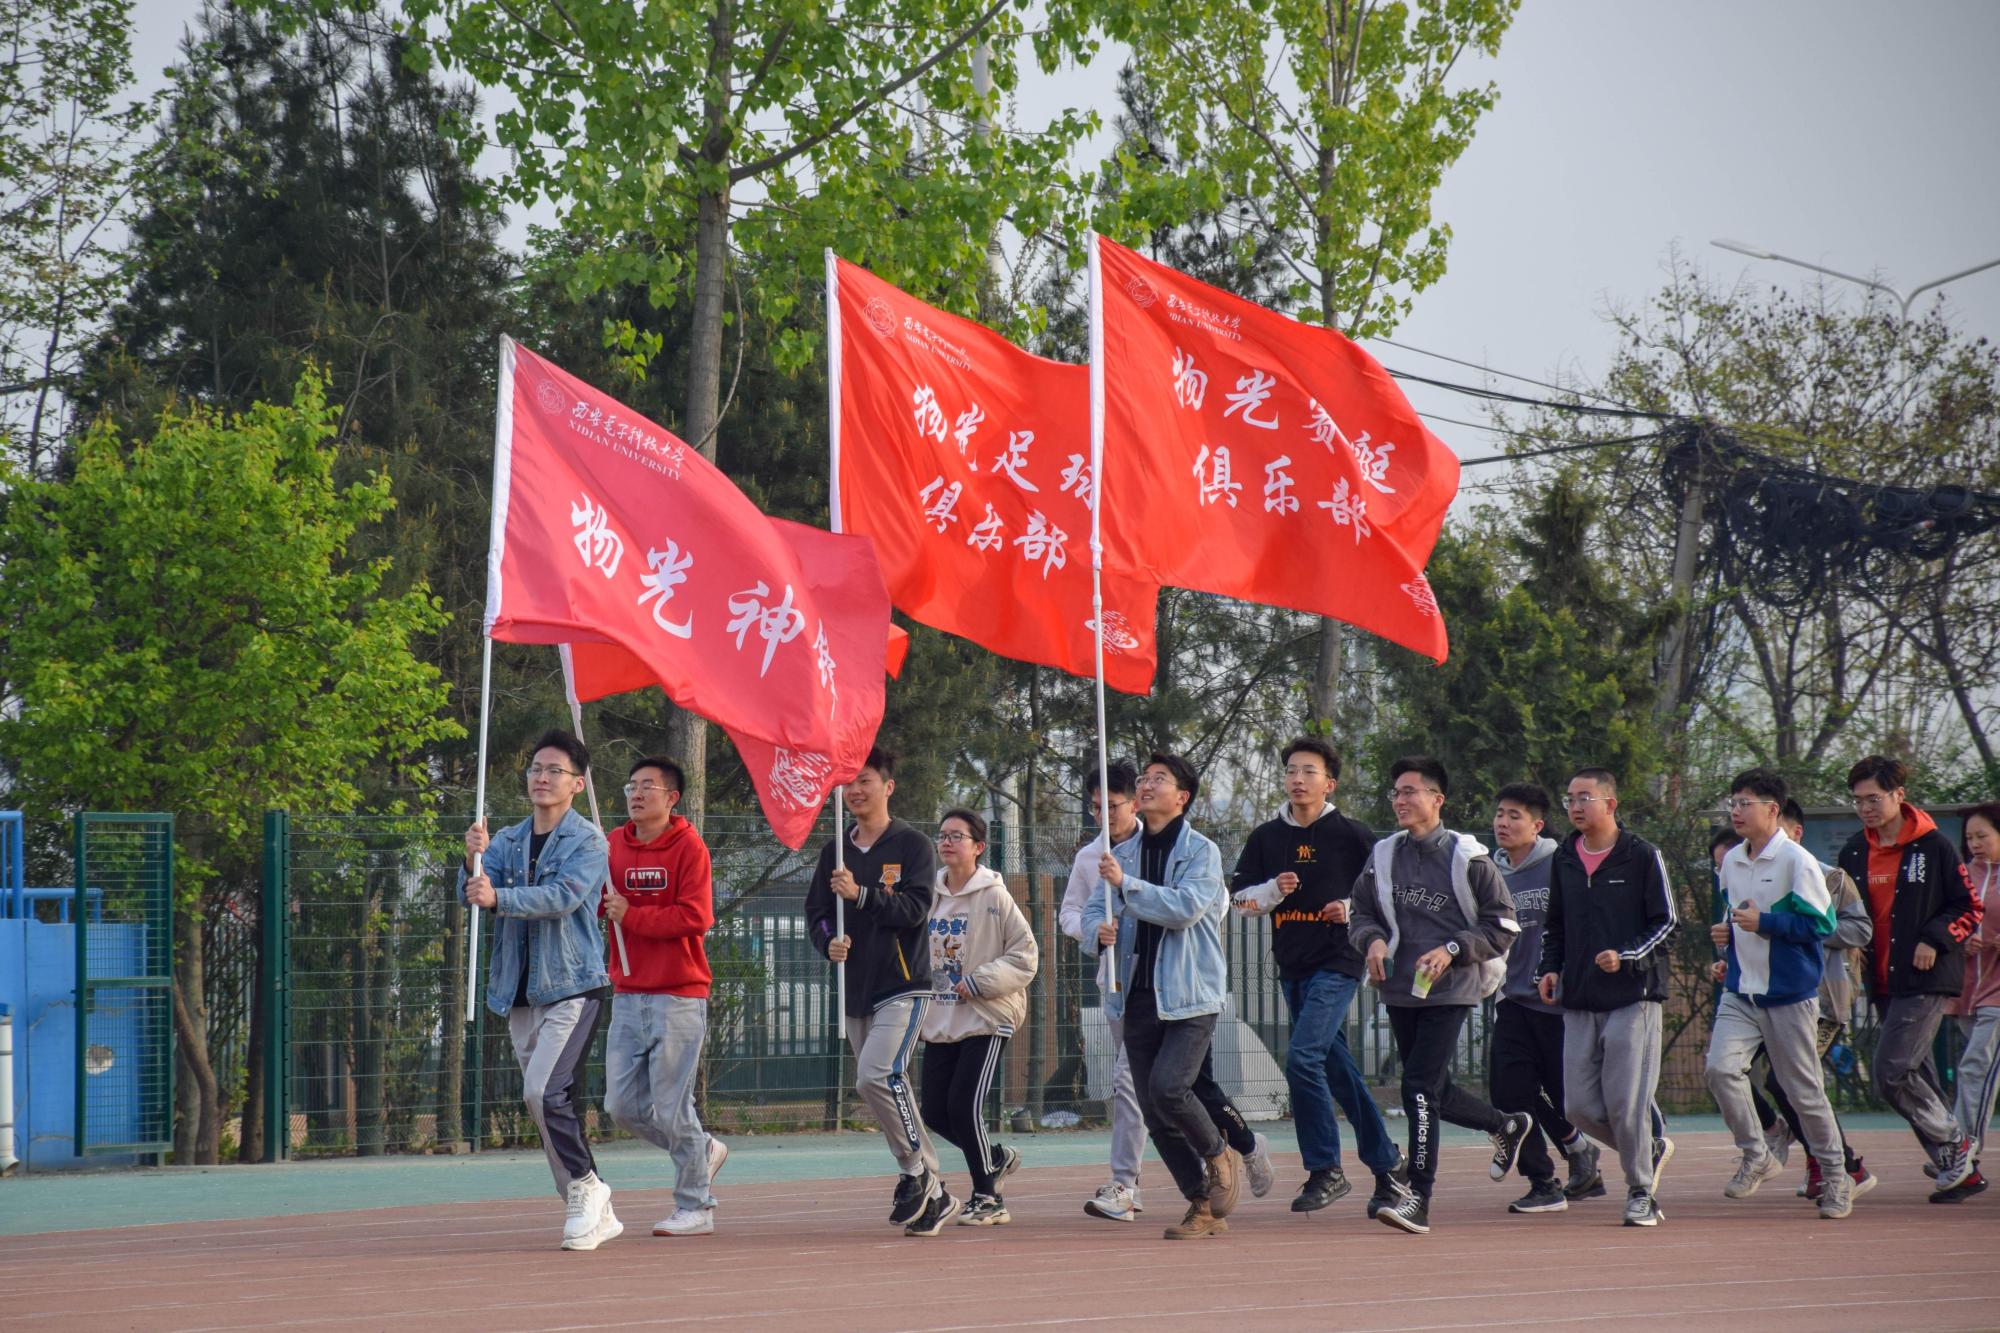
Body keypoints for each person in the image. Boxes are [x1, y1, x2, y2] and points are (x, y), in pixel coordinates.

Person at [1065, 761, 1272, 1225]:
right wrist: (1097, 931)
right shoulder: (1121, 853)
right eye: (1144, 778)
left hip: (1189, 994)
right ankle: (1201, 1203)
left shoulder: (1201, 851)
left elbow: (1185, 908)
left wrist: (1127, 886)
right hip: (1134, 992)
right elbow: (1092, 910)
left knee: (1170, 1087)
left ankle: (1219, 1154)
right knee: (1154, 1110)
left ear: (1182, 796)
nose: (1147, 784)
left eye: (1159, 779)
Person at [1349, 755, 1528, 1235]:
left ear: (1437, 799)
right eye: (1396, 792)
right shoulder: (1383, 855)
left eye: (1411, 791)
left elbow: (1503, 925)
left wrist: (1453, 949)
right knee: (1433, 1089)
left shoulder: (1469, 858)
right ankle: (1505, 1124)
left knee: (1416, 1088)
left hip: (1451, 989)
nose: (1401, 800)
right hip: (1399, 989)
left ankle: (1419, 1197)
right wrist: (1373, 941)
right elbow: (1360, 913)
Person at [461, 729, 618, 1251]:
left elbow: (563, 897)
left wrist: (499, 898)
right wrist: (471, 861)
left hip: (573, 987)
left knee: (543, 1092)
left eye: (554, 770)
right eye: (535, 768)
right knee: (547, 1102)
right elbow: (474, 891)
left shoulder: (589, 841)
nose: (541, 778)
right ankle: (594, 1205)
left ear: (577, 783)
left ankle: (584, 1187)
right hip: (519, 993)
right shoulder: (505, 840)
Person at [1232, 738, 1403, 1214]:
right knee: (1335, 1066)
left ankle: (1325, 1169)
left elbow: (1383, 895)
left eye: (1309, 771)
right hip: (1292, 964)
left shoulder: (1353, 835)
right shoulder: (1266, 838)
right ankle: (1388, 1163)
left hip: (1339, 960)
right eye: (1291, 770)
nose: (1298, 779)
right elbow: (1239, 901)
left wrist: (1347, 908)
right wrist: (1272, 889)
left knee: (1303, 1057)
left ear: (1330, 783)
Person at [804, 748, 952, 1234]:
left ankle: (915, 1172)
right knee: (888, 1082)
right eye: (848, 783)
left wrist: (862, 895)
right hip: (856, 986)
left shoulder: (913, 845)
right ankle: (935, 1191)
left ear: (888, 787)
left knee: (875, 1076)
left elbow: (915, 909)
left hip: (903, 985)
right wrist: (829, 941)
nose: (854, 791)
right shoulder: (834, 850)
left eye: (864, 780)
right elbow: (817, 912)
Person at [1702, 769, 1857, 1220]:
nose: (1735, 811)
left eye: (1745, 802)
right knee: (1719, 1069)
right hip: (1740, 993)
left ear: (1772, 810)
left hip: (1788, 995)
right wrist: (1727, 938)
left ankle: (1838, 1177)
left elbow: (1822, 924)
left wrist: (1765, 924)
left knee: (1803, 1092)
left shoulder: (1796, 861)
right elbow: (1737, 916)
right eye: (1732, 802)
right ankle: (1758, 1154)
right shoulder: (1732, 861)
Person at [1536, 766, 1677, 1228]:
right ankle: (1647, 1148)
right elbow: (1555, 925)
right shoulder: (1564, 857)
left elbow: (1667, 923)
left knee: (1625, 1102)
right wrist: (1549, 968)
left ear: (1610, 804)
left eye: (1585, 798)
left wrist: (1627, 956)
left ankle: (1641, 1192)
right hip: (1580, 999)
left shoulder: (1642, 856)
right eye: (1570, 799)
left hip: (1633, 998)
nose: (1575, 807)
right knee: (1577, 1107)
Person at [1836, 755, 1983, 1197]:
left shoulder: (1934, 846)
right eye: (1858, 800)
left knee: (1892, 1070)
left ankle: (1955, 1143)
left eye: (1873, 798)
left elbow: (1969, 907)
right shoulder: (1853, 851)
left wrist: (1934, 939)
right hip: (1883, 981)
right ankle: (1959, 1171)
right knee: (1919, 1074)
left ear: (1898, 795)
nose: (1865, 808)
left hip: (1926, 978)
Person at [599, 756, 729, 1238]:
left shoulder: (689, 847)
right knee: (621, 1107)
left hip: (678, 994)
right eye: (631, 786)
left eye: (647, 786)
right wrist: (606, 908)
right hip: (628, 992)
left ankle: (696, 1206)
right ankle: (702, 1149)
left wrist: (631, 914)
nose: (636, 794)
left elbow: (696, 917)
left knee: (673, 1106)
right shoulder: (611, 843)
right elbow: (596, 900)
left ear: (671, 798)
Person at [1488, 782, 1603, 1213]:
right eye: (1500, 813)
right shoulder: (1490, 873)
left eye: (1514, 815)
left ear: (1537, 825)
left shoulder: (1561, 864)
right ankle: (1544, 1182)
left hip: (1558, 1001)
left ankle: (1589, 1152)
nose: (1503, 822)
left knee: (1562, 1093)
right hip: (1512, 998)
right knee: (1508, 1090)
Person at [920, 809, 1039, 1226]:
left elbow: (1025, 957)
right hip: (940, 1018)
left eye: (957, 836)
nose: (947, 842)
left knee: (964, 1105)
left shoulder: (994, 896)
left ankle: (988, 1198)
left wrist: (980, 981)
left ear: (978, 847)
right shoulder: (928, 894)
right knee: (935, 1112)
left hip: (986, 1016)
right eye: (942, 835)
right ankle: (995, 1157)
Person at [1060, 762, 1149, 1221]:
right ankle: (1129, 1185)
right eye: (1095, 807)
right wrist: (1094, 932)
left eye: (1111, 806)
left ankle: (1223, 1153)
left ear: (1135, 803)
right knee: (1132, 1082)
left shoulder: (1161, 847)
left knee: (1151, 1084)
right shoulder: (1088, 857)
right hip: (1116, 983)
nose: (1103, 815)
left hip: (1167, 983)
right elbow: (1070, 914)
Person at [1774, 800, 1875, 1203]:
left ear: (1796, 833)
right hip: (1775, 997)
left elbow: (1860, 929)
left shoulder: (1832, 878)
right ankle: (1817, 1157)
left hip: (1824, 1001)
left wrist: (1805, 929)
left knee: (1791, 1080)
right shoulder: (1758, 877)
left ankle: (1844, 1167)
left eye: (1777, 831)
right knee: (1748, 1073)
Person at [1943, 802, 2000, 1202]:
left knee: (1975, 1066)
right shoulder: (1962, 877)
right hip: (1966, 992)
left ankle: (1963, 1151)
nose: (1976, 844)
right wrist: (1960, 941)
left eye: (1983, 836)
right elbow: (1948, 925)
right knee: (1975, 1069)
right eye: (1969, 838)